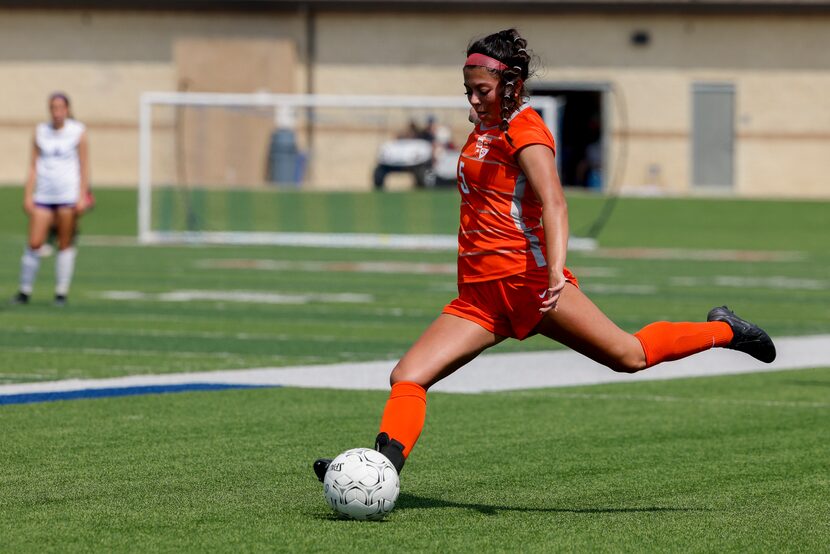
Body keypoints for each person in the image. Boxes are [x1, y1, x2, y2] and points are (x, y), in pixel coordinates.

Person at [313, 29, 775, 481]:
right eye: (468, 91)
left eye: (482, 91)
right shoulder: (484, 129)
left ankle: (725, 329)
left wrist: (555, 270)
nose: (473, 101)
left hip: (528, 282)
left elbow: (554, 201)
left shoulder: (527, 131)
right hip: (479, 296)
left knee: (629, 356)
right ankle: (378, 470)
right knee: (408, 376)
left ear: (510, 85)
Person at [11, 92, 90, 306]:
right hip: (44, 195)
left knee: (64, 243)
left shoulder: (78, 132)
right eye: (53, 108)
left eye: (60, 108)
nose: (57, 112)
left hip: (67, 195)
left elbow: (84, 165)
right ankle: (24, 290)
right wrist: (28, 194)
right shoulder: (40, 131)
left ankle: (61, 292)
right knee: (34, 242)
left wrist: (82, 195)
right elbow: (33, 165)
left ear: (67, 109)